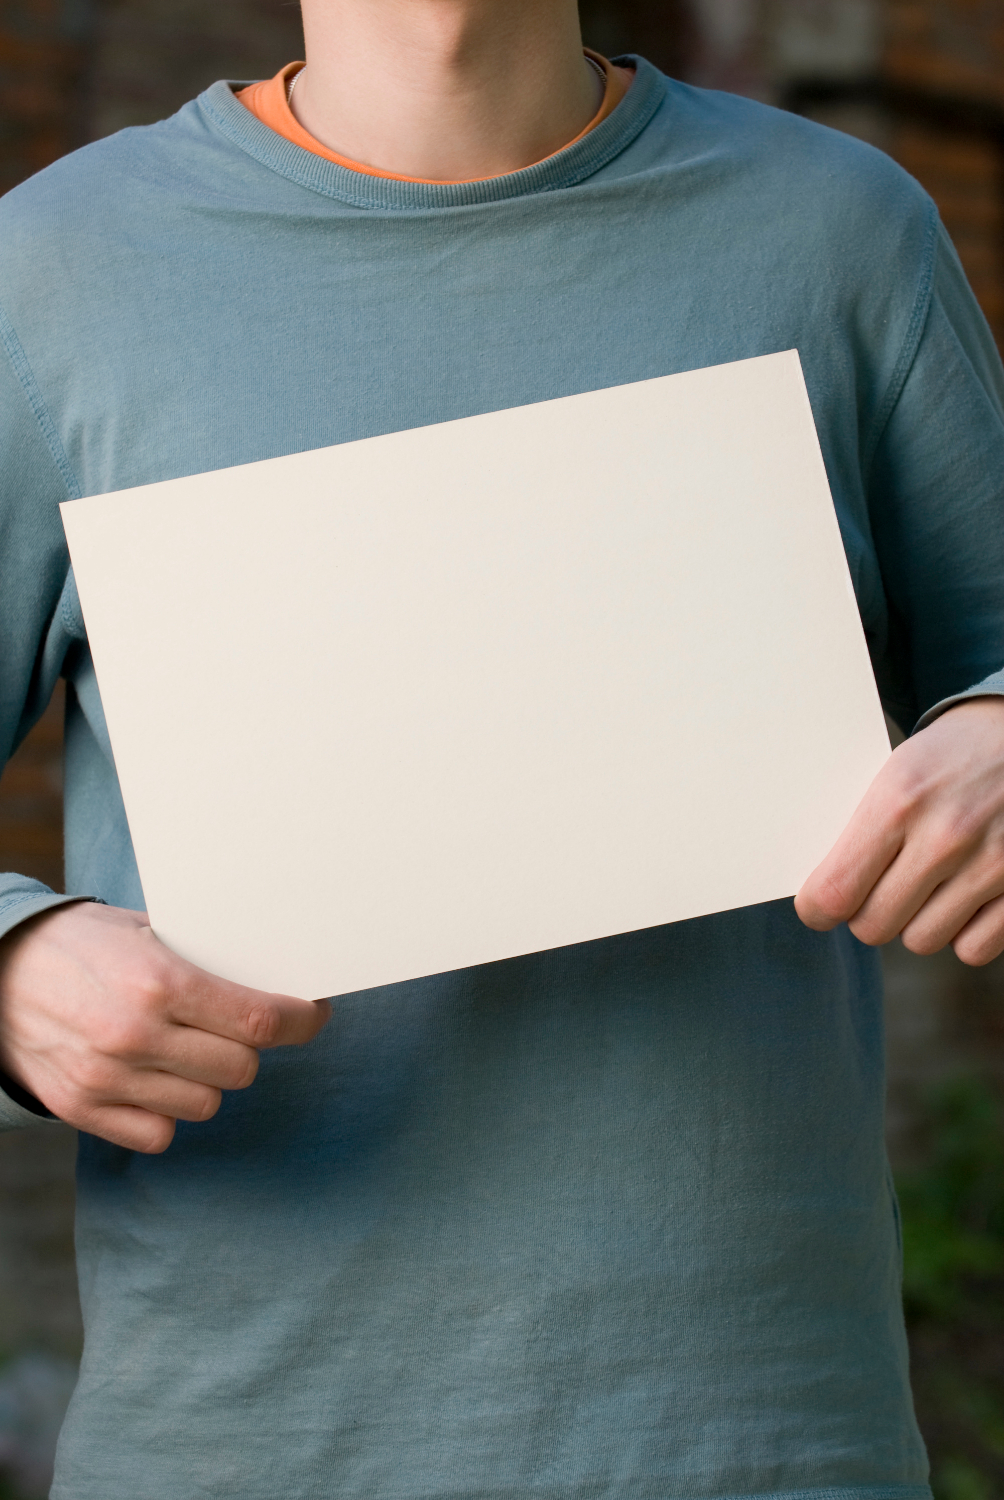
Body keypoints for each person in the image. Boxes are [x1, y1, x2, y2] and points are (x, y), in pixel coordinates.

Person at [0, 1, 1002, 1495]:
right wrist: (11, 970)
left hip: (763, 1440)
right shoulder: (50, 271)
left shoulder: (840, 231)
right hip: (243, 1444)